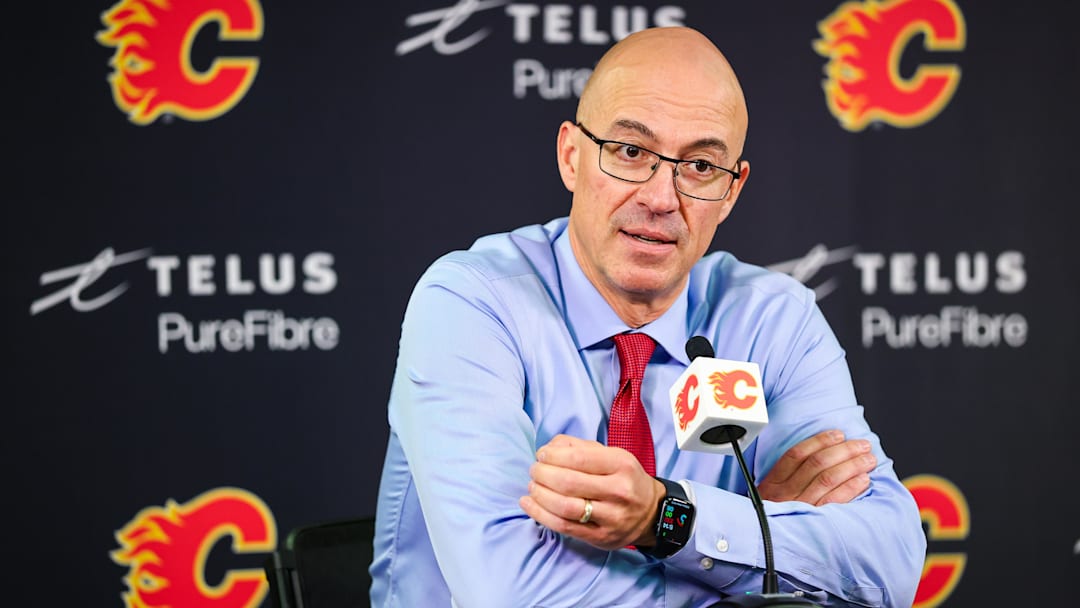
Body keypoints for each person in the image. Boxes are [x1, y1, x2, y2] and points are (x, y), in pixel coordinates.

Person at [370, 26, 925, 607]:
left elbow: (888, 567)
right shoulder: (472, 302)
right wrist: (744, 536)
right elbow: (511, 593)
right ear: (572, 157)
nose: (662, 198)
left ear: (732, 192)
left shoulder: (772, 319)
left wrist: (666, 517)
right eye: (631, 152)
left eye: (701, 167)